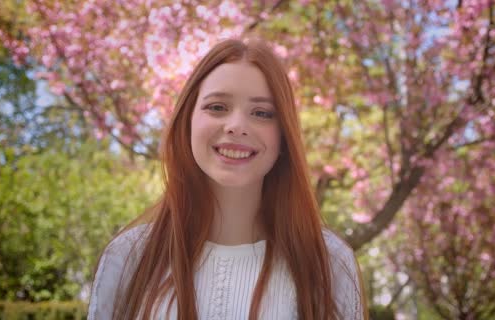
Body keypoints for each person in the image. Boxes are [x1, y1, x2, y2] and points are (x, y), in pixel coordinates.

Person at [87, 38, 366, 320]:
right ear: (187, 122)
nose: (236, 127)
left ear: (284, 136)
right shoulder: (130, 257)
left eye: (262, 113)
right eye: (217, 107)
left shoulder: (328, 262)